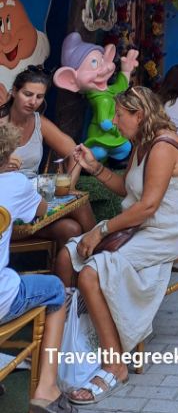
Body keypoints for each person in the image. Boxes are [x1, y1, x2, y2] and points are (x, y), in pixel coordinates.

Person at [56, 86, 178, 405]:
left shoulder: (162, 146)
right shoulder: (142, 142)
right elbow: (126, 189)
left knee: (91, 272)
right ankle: (67, 345)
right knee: (66, 256)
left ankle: (114, 363)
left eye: (120, 115)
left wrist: (99, 230)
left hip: (164, 230)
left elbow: (147, 206)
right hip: (138, 224)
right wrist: (94, 167)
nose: (115, 122)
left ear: (140, 115)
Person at [0, 124, 78, 413]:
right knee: (56, 288)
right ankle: (46, 389)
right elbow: (42, 209)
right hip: (2, 298)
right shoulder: (14, 184)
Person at [0, 67, 96, 246]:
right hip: (6, 206)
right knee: (81, 205)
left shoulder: (39, 123)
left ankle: (86, 267)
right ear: (14, 91)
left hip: (33, 201)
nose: (33, 101)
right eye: (27, 94)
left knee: (71, 229)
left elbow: (76, 153)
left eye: (39, 97)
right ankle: (101, 258)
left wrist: (69, 185)